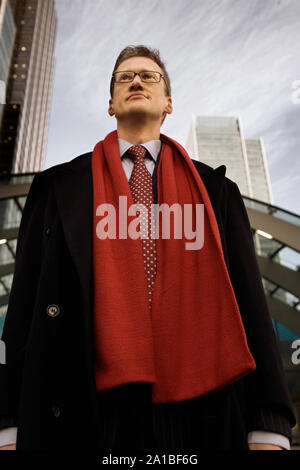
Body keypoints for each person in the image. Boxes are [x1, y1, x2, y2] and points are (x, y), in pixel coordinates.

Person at [0, 45, 296, 451]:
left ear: (168, 102)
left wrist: (268, 422)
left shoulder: (217, 192)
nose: (136, 80)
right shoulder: (56, 187)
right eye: (124, 77)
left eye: (148, 76)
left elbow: (249, 305)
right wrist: (10, 421)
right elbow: (23, 309)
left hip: (198, 408)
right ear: (110, 105)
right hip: (86, 405)